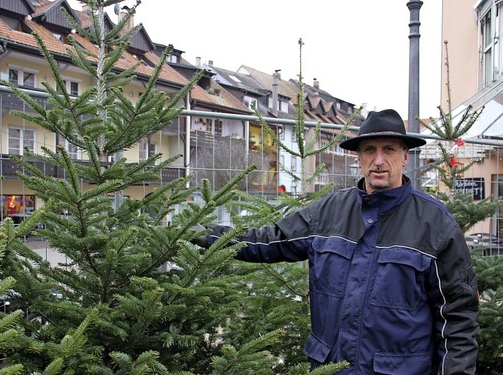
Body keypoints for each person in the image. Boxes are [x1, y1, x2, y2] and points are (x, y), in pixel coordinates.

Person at [197, 109, 479, 374]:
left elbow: (457, 319)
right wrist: (201, 235)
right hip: (331, 367)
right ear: (359, 157)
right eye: (369, 150)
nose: (378, 160)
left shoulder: (435, 224)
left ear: (405, 156)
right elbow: (270, 240)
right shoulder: (329, 212)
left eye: (389, 150)